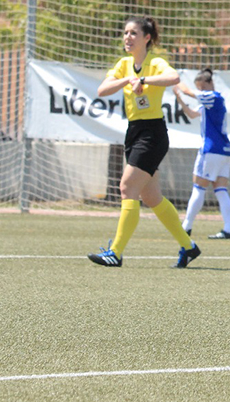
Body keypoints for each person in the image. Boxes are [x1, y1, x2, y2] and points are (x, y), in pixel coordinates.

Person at [87, 16, 202, 269]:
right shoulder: (124, 64)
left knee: (127, 187)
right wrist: (127, 80)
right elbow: (102, 90)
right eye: (125, 32)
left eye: (133, 33)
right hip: (134, 131)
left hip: (153, 133)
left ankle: (115, 253)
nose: (127, 37)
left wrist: (144, 80)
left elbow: (173, 78)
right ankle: (189, 246)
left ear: (146, 38)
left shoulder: (155, 62)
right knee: (151, 196)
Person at [174, 68, 230, 240]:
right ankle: (228, 229)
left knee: (199, 187)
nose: (201, 91)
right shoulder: (212, 101)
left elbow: (187, 91)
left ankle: (186, 226)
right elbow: (192, 114)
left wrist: (173, 79)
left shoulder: (213, 96)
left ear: (210, 84)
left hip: (211, 150)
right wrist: (179, 98)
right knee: (221, 190)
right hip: (225, 151)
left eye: (202, 87)